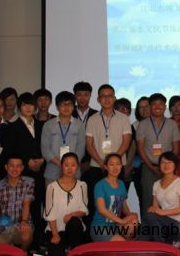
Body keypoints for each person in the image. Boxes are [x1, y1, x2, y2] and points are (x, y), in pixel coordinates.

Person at [85, 84, 132, 222]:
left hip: (117, 167)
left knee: (118, 202)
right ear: (98, 99)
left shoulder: (123, 118)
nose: (107, 99)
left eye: (110, 96)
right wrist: (102, 163)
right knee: (96, 203)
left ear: (114, 98)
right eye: (103, 96)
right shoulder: (92, 119)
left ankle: (119, 228)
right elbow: (89, 145)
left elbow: (126, 142)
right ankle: (96, 232)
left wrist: (113, 163)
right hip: (97, 166)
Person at [7, 92, 46, 248]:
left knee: (38, 206)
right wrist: (27, 161)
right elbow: (11, 150)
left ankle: (37, 242)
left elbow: (46, 145)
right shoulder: (12, 127)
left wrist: (42, 160)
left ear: (35, 107)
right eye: (24, 104)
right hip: (22, 173)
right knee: (23, 206)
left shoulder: (41, 125)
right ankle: (22, 242)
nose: (28, 107)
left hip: (40, 171)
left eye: (31, 104)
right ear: (19, 107)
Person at [136, 93, 180, 213]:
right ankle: (148, 225)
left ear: (165, 107)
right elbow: (140, 149)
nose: (157, 106)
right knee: (148, 200)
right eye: (154, 104)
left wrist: (169, 166)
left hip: (168, 168)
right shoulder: (142, 124)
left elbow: (176, 148)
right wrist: (151, 167)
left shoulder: (172, 124)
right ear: (150, 106)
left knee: (169, 200)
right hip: (148, 168)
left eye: (160, 104)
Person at [139, 151, 180, 244]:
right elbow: (155, 208)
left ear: (175, 165)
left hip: (179, 225)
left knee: (149, 218)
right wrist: (153, 210)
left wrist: (163, 212)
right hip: (163, 224)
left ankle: (161, 245)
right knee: (148, 217)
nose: (166, 165)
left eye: (169, 162)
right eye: (163, 162)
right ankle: (141, 246)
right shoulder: (156, 184)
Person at [44, 152, 88, 256]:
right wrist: (55, 235)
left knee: (74, 222)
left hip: (74, 230)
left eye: (73, 165)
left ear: (77, 167)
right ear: (61, 166)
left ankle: (74, 250)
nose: (70, 168)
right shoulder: (52, 187)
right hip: (55, 230)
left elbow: (84, 210)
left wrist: (72, 215)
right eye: (66, 165)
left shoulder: (82, 185)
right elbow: (49, 214)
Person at [0, 154, 35, 251]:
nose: (15, 169)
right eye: (11, 166)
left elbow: (27, 203)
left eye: (18, 166)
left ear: (22, 168)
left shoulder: (29, 182)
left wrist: (24, 221)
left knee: (26, 235)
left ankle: (23, 253)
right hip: (4, 227)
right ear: (6, 167)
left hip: (21, 224)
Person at [90, 153, 139, 241]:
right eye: (111, 164)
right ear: (106, 167)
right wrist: (121, 221)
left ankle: (128, 243)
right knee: (121, 243)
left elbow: (124, 206)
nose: (115, 167)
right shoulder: (100, 185)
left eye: (118, 164)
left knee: (134, 222)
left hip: (115, 226)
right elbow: (102, 210)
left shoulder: (121, 184)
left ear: (121, 166)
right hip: (100, 227)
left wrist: (131, 215)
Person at [41, 91, 86, 184]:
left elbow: (81, 148)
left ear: (73, 107)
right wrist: (60, 163)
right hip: (52, 171)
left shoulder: (79, 125)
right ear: (57, 107)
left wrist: (70, 165)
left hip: (74, 172)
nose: (66, 107)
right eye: (62, 104)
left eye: (69, 104)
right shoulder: (48, 125)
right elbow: (45, 149)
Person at [168, 95, 180, 178]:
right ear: (170, 108)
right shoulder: (166, 122)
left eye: (179, 105)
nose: (176, 108)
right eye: (173, 105)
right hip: (170, 157)